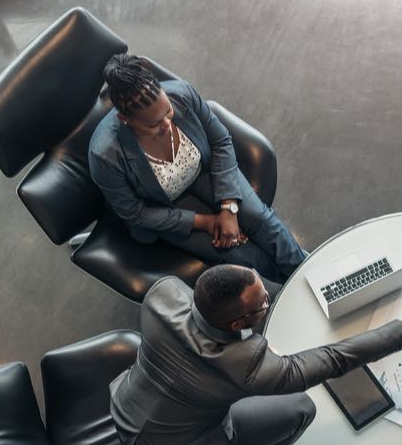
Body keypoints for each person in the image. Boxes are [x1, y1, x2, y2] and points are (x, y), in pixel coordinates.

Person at [109, 265, 402, 445]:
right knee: (301, 408)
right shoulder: (245, 365)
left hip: (126, 406)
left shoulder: (163, 295)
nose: (267, 300)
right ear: (238, 324)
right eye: (262, 304)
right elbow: (332, 360)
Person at [89, 53, 305, 285]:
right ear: (124, 119)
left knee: (262, 221)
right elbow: (136, 213)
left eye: (168, 112)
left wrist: (228, 209)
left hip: (204, 172)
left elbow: (220, 141)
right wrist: (207, 222)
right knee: (238, 254)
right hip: (162, 204)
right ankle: (285, 292)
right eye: (154, 124)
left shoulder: (182, 93)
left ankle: (308, 274)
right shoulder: (105, 155)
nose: (167, 125)